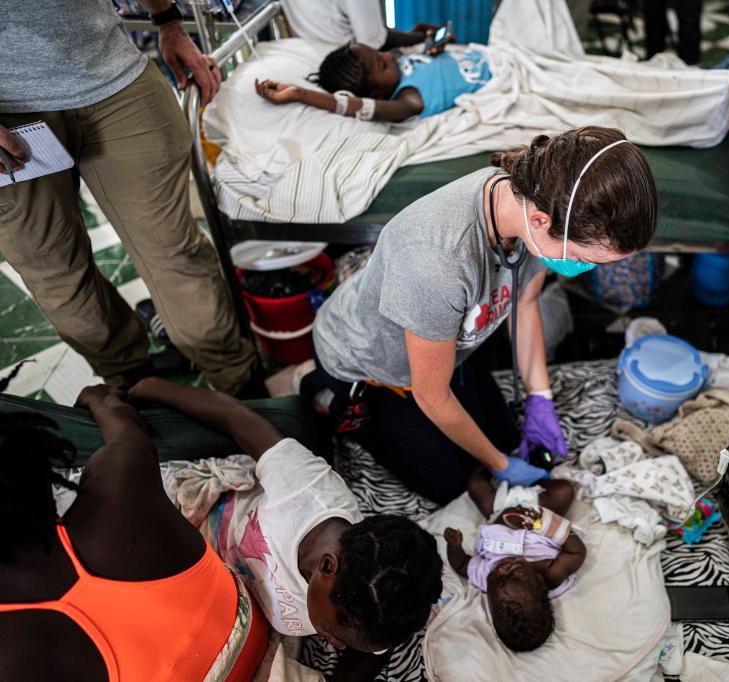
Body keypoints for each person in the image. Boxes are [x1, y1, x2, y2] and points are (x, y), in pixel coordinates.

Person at [300, 126, 658, 505]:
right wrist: (500, 464)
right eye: (584, 259)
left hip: (451, 342)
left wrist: (540, 398)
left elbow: (524, 303)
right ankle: (328, 393)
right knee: (455, 484)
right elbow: (431, 395)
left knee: (505, 436)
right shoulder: (437, 262)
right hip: (368, 362)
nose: (584, 268)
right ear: (541, 222)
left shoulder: (542, 200)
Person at [0, 0, 260, 395]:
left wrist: (168, 20)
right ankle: (131, 385)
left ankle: (240, 383)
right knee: (56, 273)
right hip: (8, 113)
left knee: (175, 253)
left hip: (115, 80)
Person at [126, 376, 443, 675]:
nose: (334, 645)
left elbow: (371, 650)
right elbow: (234, 418)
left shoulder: (377, 613)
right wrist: (146, 388)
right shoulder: (304, 490)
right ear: (326, 566)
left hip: (235, 603)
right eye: (332, 632)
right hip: (203, 527)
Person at [0, 387, 268, 681]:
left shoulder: (10, 657)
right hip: (258, 638)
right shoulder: (118, 487)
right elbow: (125, 429)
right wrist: (95, 397)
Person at [444, 468, 586, 652]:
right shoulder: (551, 573)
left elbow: (462, 564)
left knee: (475, 485)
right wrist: (547, 524)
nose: (501, 569)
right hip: (538, 511)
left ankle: (491, 465)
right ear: (540, 582)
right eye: (513, 573)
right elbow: (577, 552)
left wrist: (454, 546)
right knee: (564, 491)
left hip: (499, 510)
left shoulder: (485, 576)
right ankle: (537, 476)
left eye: (495, 578)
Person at [256, 40, 490, 122]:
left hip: (483, 55)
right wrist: (299, 94)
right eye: (382, 64)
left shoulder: (398, 66)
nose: (388, 56)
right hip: (495, 74)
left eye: (379, 53)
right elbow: (358, 107)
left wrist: (433, 47)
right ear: (377, 95)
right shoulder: (408, 99)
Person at [281, 0, 442, 51]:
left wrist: (414, 36)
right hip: (353, 66)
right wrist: (422, 38)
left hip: (317, 53)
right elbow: (372, 43)